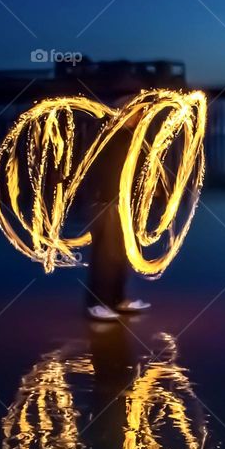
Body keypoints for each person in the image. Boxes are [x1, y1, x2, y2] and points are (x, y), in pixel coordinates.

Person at [83, 98, 151, 321]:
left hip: (120, 204)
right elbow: (97, 169)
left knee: (119, 256)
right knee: (105, 257)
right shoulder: (110, 136)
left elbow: (134, 169)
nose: (140, 117)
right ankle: (96, 304)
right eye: (137, 113)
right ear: (124, 112)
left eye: (141, 114)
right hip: (105, 204)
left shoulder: (129, 137)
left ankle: (118, 300)